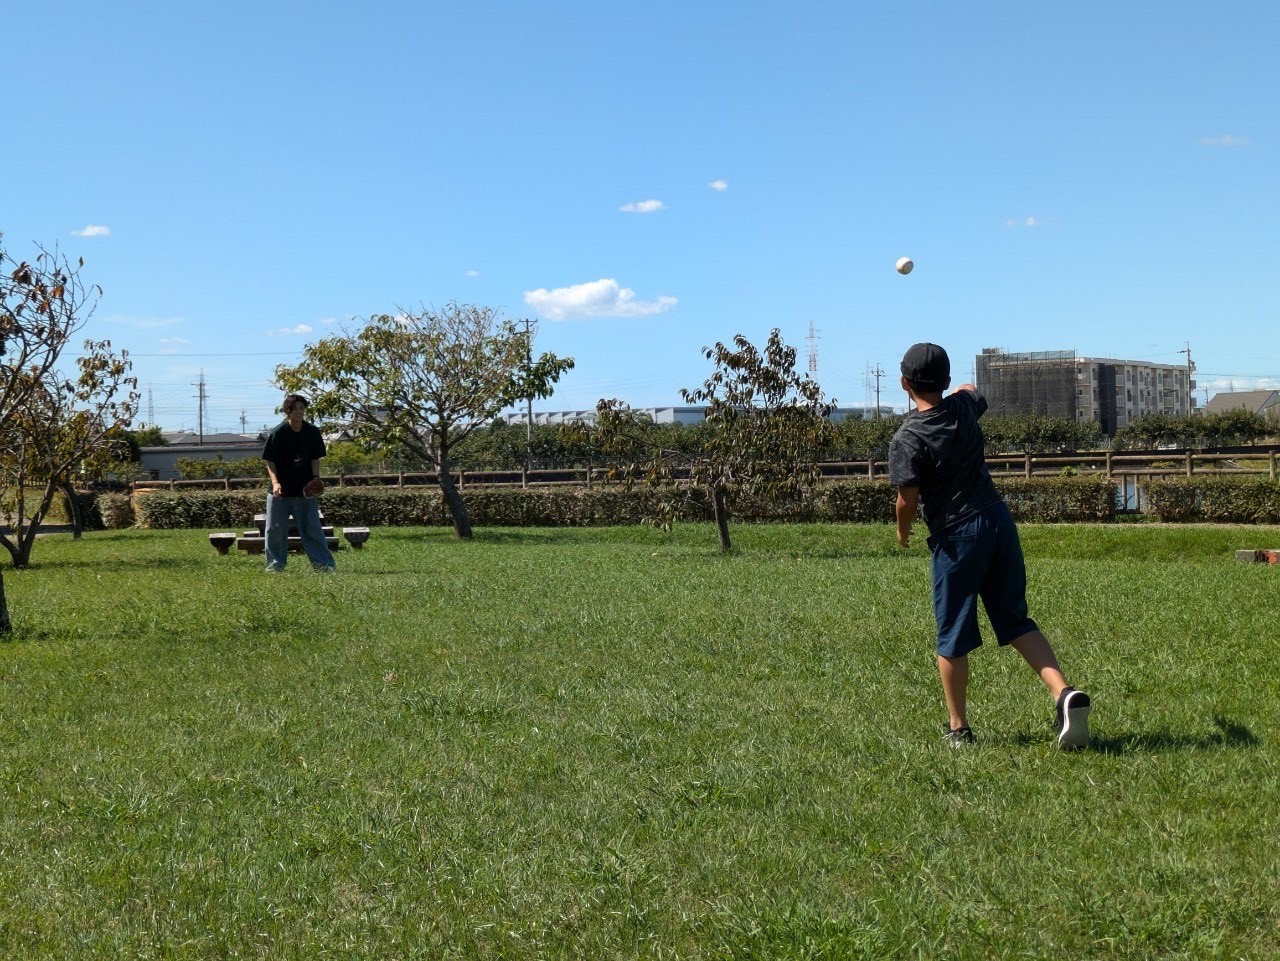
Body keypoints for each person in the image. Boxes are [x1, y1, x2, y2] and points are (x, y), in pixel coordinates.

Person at [887, 343, 1090, 749]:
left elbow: (907, 499)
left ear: (903, 383)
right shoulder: (963, 408)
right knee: (1015, 619)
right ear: (945, 381)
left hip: (957, 535)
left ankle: (958, 727)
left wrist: (902, 531)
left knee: (952, 634)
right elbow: (970, 388)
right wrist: (956, 389)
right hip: (998, 521)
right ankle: (1063, 693)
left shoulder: (908, 437)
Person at [261, 394, 336, 573]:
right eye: (295, 408)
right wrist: (275, 482)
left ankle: (324, 567)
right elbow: (270, 461)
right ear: (288, 411)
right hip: (280, 493)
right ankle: (275, 567)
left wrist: (316, 478)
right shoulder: (278, 433)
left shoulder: (312, 432)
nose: (299, 412)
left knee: (313, 530)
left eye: (302, 408)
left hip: (305, 492)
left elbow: (315, 458)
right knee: (274, 531)